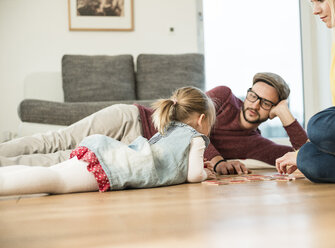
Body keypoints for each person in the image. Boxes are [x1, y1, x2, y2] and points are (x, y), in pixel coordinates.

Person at [0, 72, 308, 175]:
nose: (255, 104)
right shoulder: (225, 96)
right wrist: (215, 160)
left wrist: (288, 117)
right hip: (130, 119)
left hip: (140, 148)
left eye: (266, 103)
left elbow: (305, 154)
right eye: (254, 95)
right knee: (55, 141)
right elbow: (193, 128)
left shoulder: (257, 143)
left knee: (64, 160)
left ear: (273, 109)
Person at [0, 87, 217, 196]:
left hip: (113, 151)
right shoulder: (196, 137)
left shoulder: (168, 129)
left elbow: (168, 158)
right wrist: (205, 171)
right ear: (201, 119)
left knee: (55, 165)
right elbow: (194, 175)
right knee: (56, 176)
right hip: (119, 148)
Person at [276, 0, 335, 183]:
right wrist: (303, 153)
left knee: (318, 124)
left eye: (320, 0)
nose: (315, 10)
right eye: (312, 3)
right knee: (310, 160)